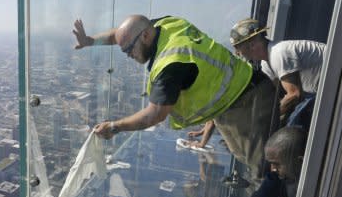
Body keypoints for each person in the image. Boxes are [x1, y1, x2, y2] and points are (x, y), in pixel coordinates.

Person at [73, 15, 278, 181]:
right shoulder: (166, 25)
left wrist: (114, 127)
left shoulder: (169, 65)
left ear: (145, 36)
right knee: (267, 162)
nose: (127, 55)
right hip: (244, 92)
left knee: (270, 169)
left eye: (128, 50)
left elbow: (153, 115)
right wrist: (90, 41)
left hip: (246, 105)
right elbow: (121, 35)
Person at [230, 18, 325, 128]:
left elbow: (294, 94)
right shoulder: (267, 63)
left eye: (237, 47)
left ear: (251, 44)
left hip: (334, 87)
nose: (237, 52)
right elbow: (272, 97)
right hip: (317, 93)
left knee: (293, 128)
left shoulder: (279, 53)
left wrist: (266, 119)